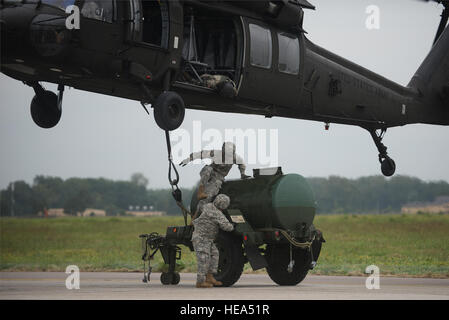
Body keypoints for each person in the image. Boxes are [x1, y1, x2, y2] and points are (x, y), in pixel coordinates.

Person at [180, 141, 250, 217]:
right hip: (211, 171)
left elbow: (242, 164)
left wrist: (242, 174)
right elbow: (201, 154)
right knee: (208, 170)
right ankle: (200, 190)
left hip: (219, 177)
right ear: (222, 151)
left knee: (207, 197)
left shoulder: (235, 157)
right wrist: (189, 159)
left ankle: (196, 216)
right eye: (225, 154)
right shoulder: (216, 153)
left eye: (229, 154)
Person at [191, 194, 234, 288]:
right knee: (204, 258)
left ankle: (210, 277)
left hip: (207, 239)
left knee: (215, 254)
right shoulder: (217, 214)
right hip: (201, 238)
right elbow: (227, 227)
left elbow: (200, 208)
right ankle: (200, 282)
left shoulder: (208, 206)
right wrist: (233, 225)